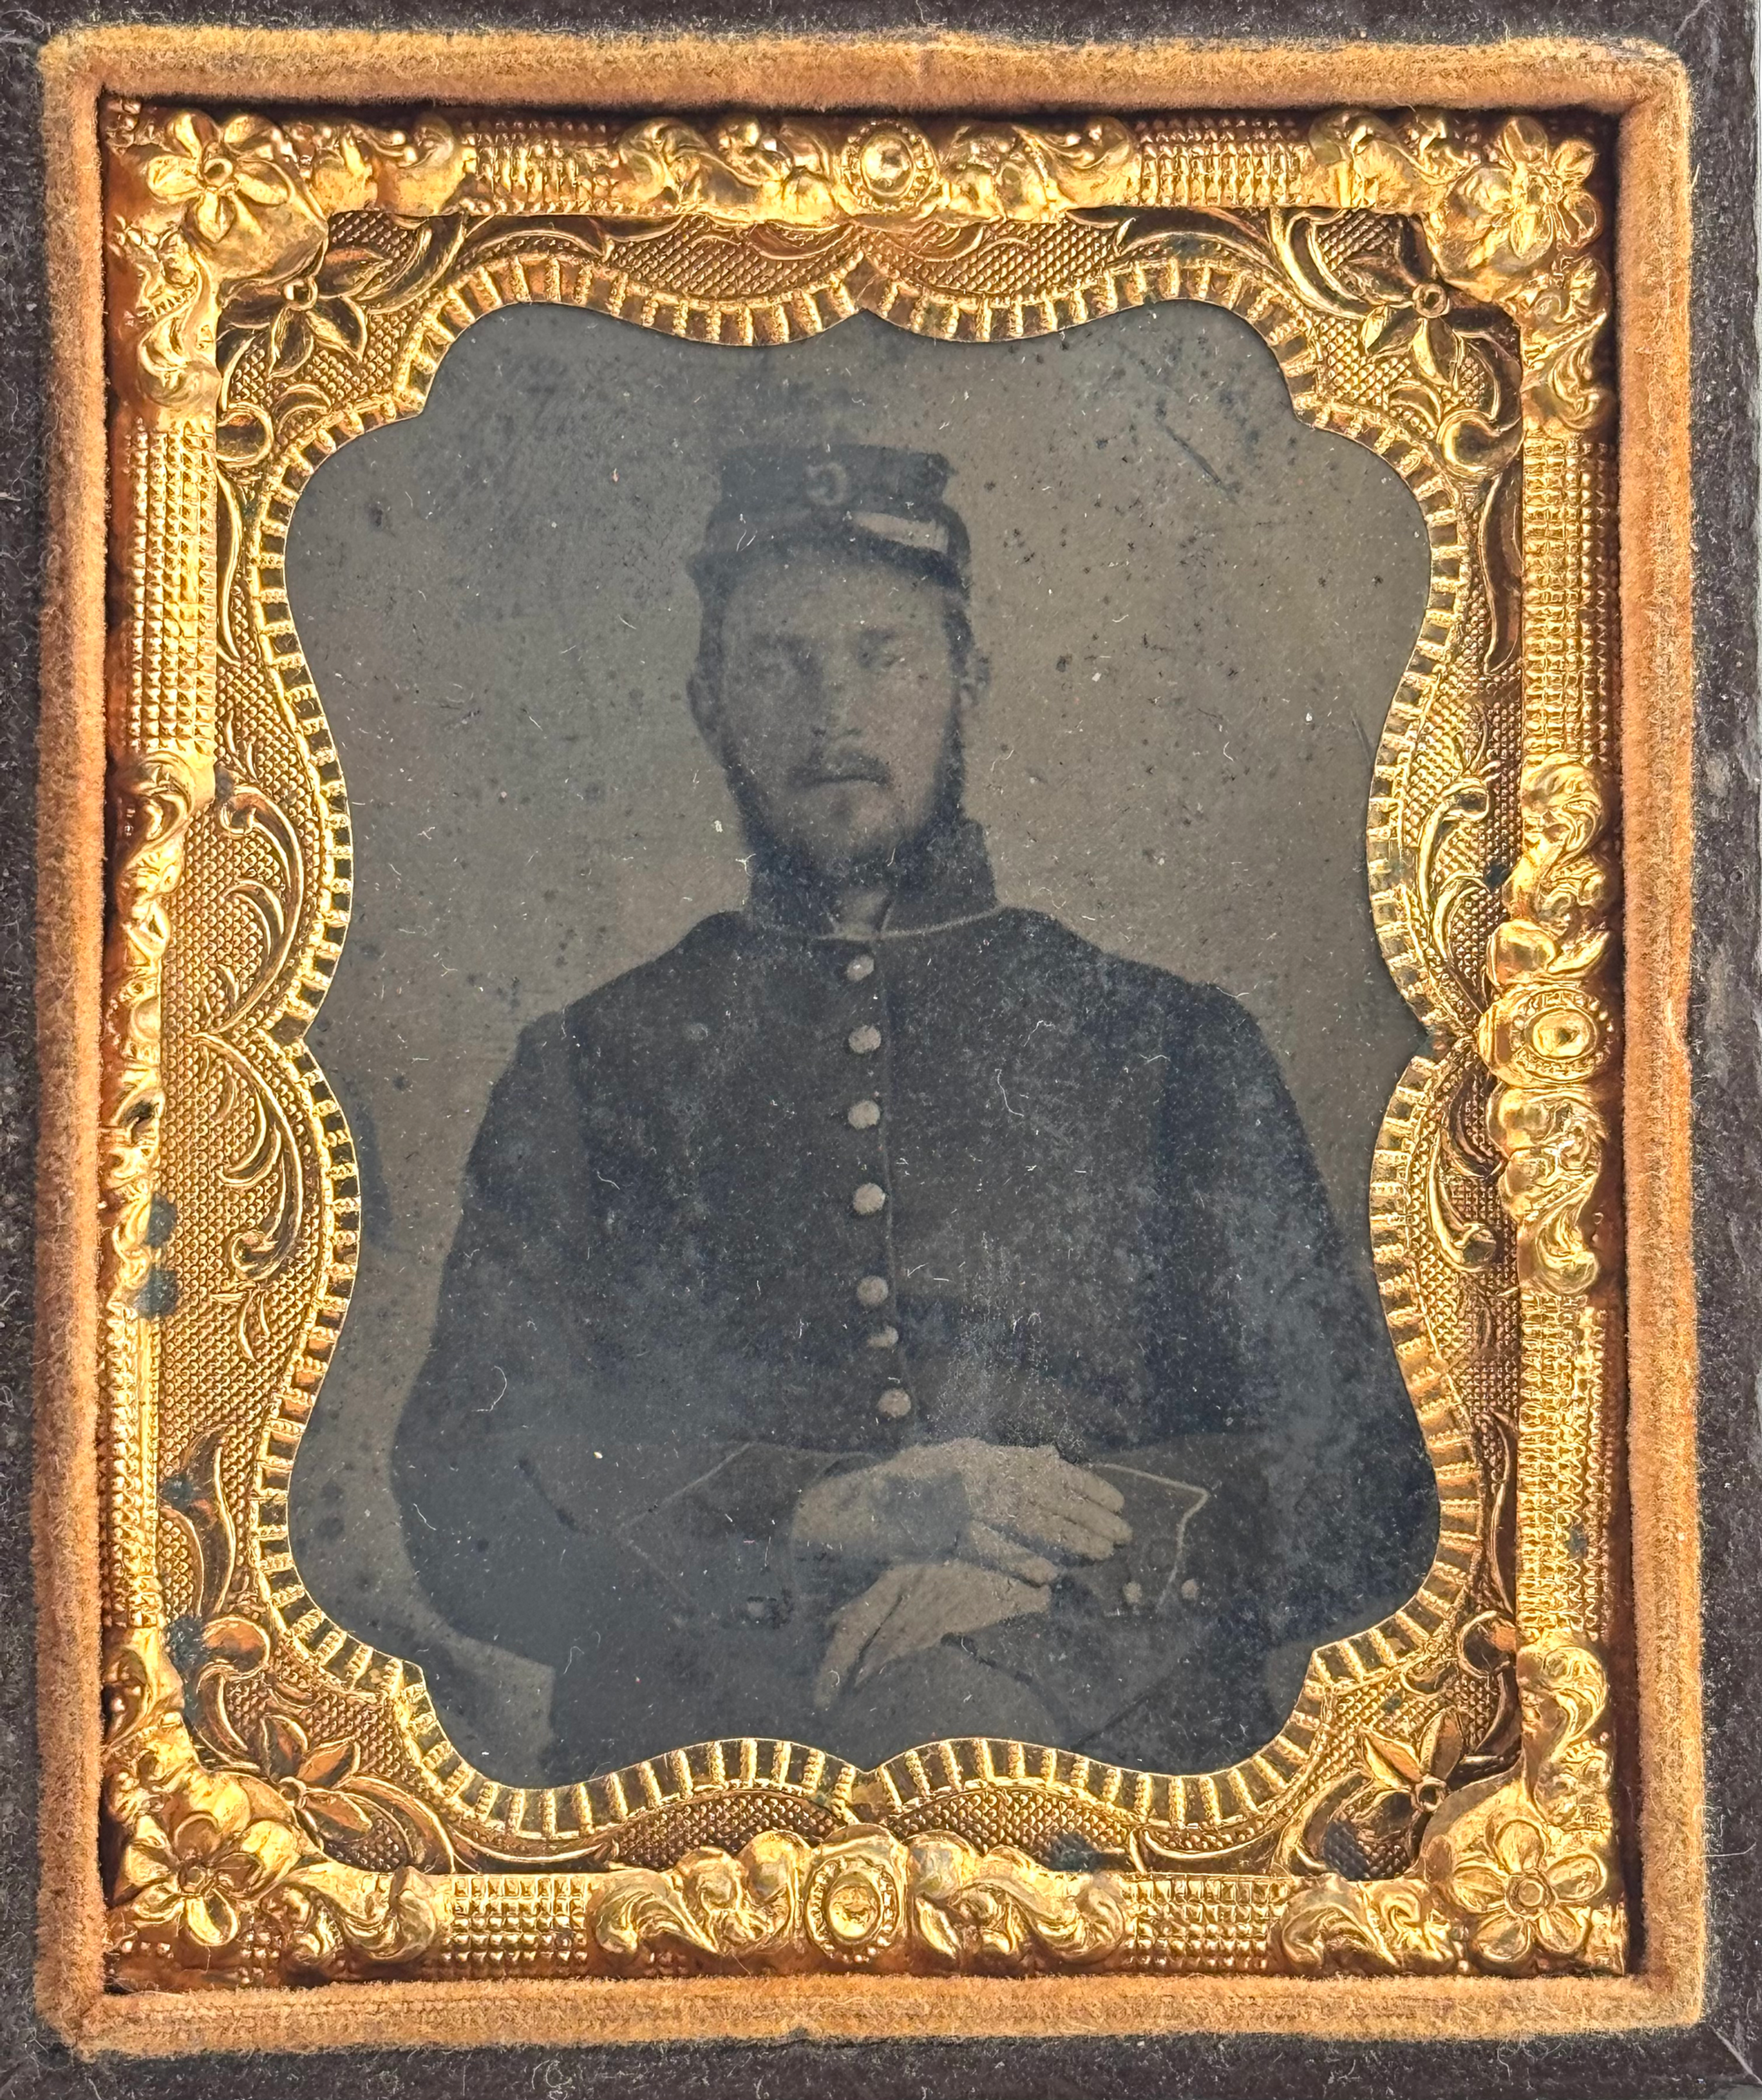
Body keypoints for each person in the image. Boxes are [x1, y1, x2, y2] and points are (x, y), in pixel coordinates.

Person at [392, 442, 1436, 1782]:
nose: (837, 706)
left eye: (883, 653)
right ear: (708, 701)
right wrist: (823, 1510)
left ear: (966, 682)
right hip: (693, 1745)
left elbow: (1362, 1483)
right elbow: (467, 1497)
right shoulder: (592, 1065)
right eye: (780, 662)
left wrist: (1059, 1562)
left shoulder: (1170, 1043)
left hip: (1115, 1726)